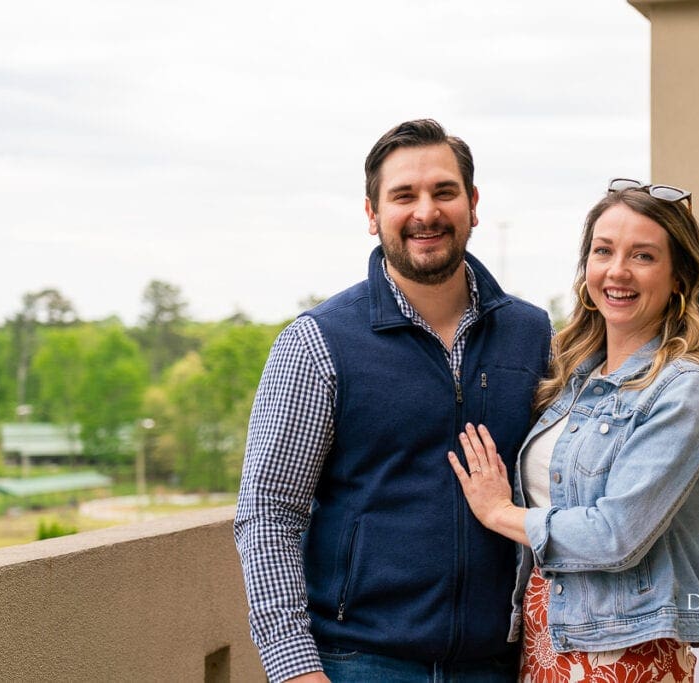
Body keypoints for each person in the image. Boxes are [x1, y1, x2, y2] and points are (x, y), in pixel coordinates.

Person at [234, 119, 552, 683]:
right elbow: (268, 513)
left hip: (497, 665)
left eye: (444, 192)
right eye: (403, 195)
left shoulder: (531, 335)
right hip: (359, 663)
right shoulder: (318, 342)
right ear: (372, 213)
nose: (425, 212)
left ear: (473, 205)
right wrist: (295, 672)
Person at [448, 179, 699, 682]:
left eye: (643, 256)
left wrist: (500, 512)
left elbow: (615, 535)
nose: (617, 271)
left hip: (624, 650)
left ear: (679, 277)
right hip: (547, 637)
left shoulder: (685, 388)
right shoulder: (575, 376)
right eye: (603, 251)